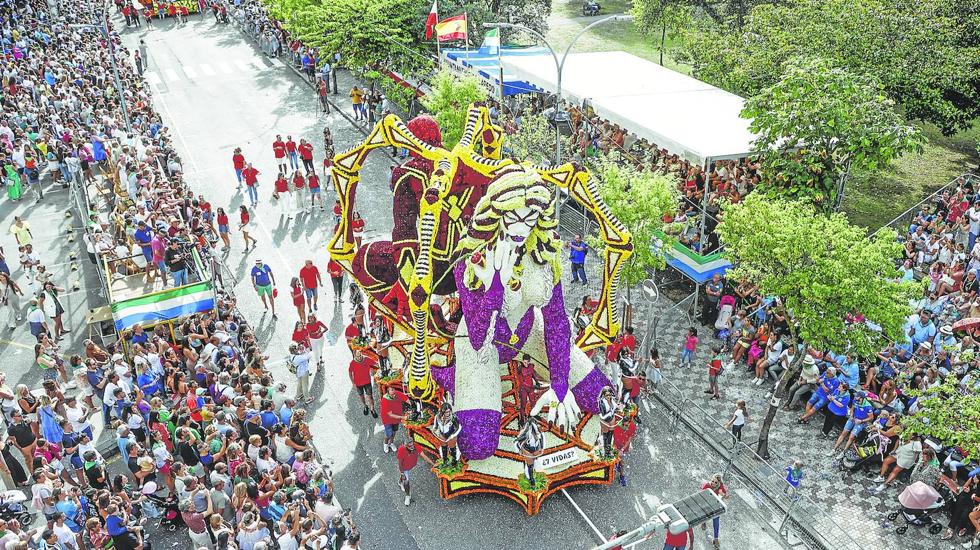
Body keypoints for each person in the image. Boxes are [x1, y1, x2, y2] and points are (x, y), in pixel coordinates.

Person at [396, 438, 430, 506]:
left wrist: (433, 464)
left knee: (405, 477)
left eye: (412, 445)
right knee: (406, 482)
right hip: (404, 468)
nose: (412, 447)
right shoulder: (401, 449)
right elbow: (400, 463)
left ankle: (400, 482)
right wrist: (402, 473)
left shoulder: (416, 446)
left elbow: (424, 456)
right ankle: (408, 496)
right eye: (410, 446)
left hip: (410, 466)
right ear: (406, 446)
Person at [700, 474, 728, 549]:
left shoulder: (721, 486)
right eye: (712, 481)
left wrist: (723, 495)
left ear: (719, 483)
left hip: (715, 503)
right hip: (706, 502)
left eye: (716, 482)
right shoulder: (707, 485)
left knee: (716, 519)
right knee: (705, 512)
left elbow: (727, 496)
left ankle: (716, 538)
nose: (713, 483)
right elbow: (701, 496)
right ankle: (703, 522)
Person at [348, 350, 377, 417]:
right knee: (361, 396)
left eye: (360, 355)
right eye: (357, 356)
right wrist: (353, 382)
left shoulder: (366, 359)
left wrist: (374, 368)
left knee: (370, 396)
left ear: (361, 354)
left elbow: (375, 363)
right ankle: (365, 406)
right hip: (358, 383)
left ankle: (372, 409)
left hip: (367, 382)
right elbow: (350, 373)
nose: (359, 357)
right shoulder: (352, 363)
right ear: (355, 356)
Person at [379, 385, 408, 454]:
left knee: (394, 432)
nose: (394, 391)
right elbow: (390, 414)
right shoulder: (385, 400)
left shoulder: (396, 394)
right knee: (389, 434)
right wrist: (403, 417)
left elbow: (405, 398)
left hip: (396, 419)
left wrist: (411, 404)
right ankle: (385, 444)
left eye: (394, 389)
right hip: (387, 420)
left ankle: (391, 443)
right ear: (388, 392)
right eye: (391, 390)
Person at [432, 402, 462, 467]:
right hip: (442, 435)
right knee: (444, 448)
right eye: (446, 412)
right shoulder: (437, 417)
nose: (448, 414)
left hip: (451, 435)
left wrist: (452, 436)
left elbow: (459, 427)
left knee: (452, 449)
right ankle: (445, 461)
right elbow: (435, 427)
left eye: (449, 412)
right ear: (442, 411)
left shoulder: (453, 417)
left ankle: (454, 462)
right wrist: (436, 433)